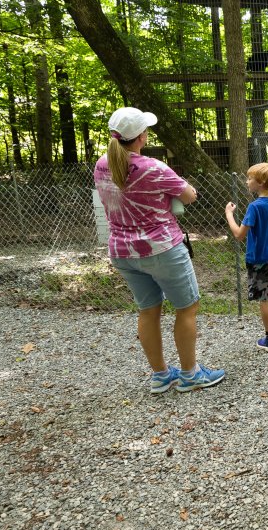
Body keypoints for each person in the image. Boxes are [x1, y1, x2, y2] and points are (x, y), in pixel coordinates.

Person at [94, 107, 225, 395]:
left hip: (122, 251)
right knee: (186, 308)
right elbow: (189, 196)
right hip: (161, 248)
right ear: (141, 136)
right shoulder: (153, 167)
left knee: (148, 310)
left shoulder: (102, 164)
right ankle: (190, 375)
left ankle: (161, 376)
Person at [225, 163, 268, 352]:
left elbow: (239, 235)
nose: (247, 182)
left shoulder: (254, 207)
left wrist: (229, 215)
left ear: (261, 182)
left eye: (249, 178)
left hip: (258, 261)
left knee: (265, 299)